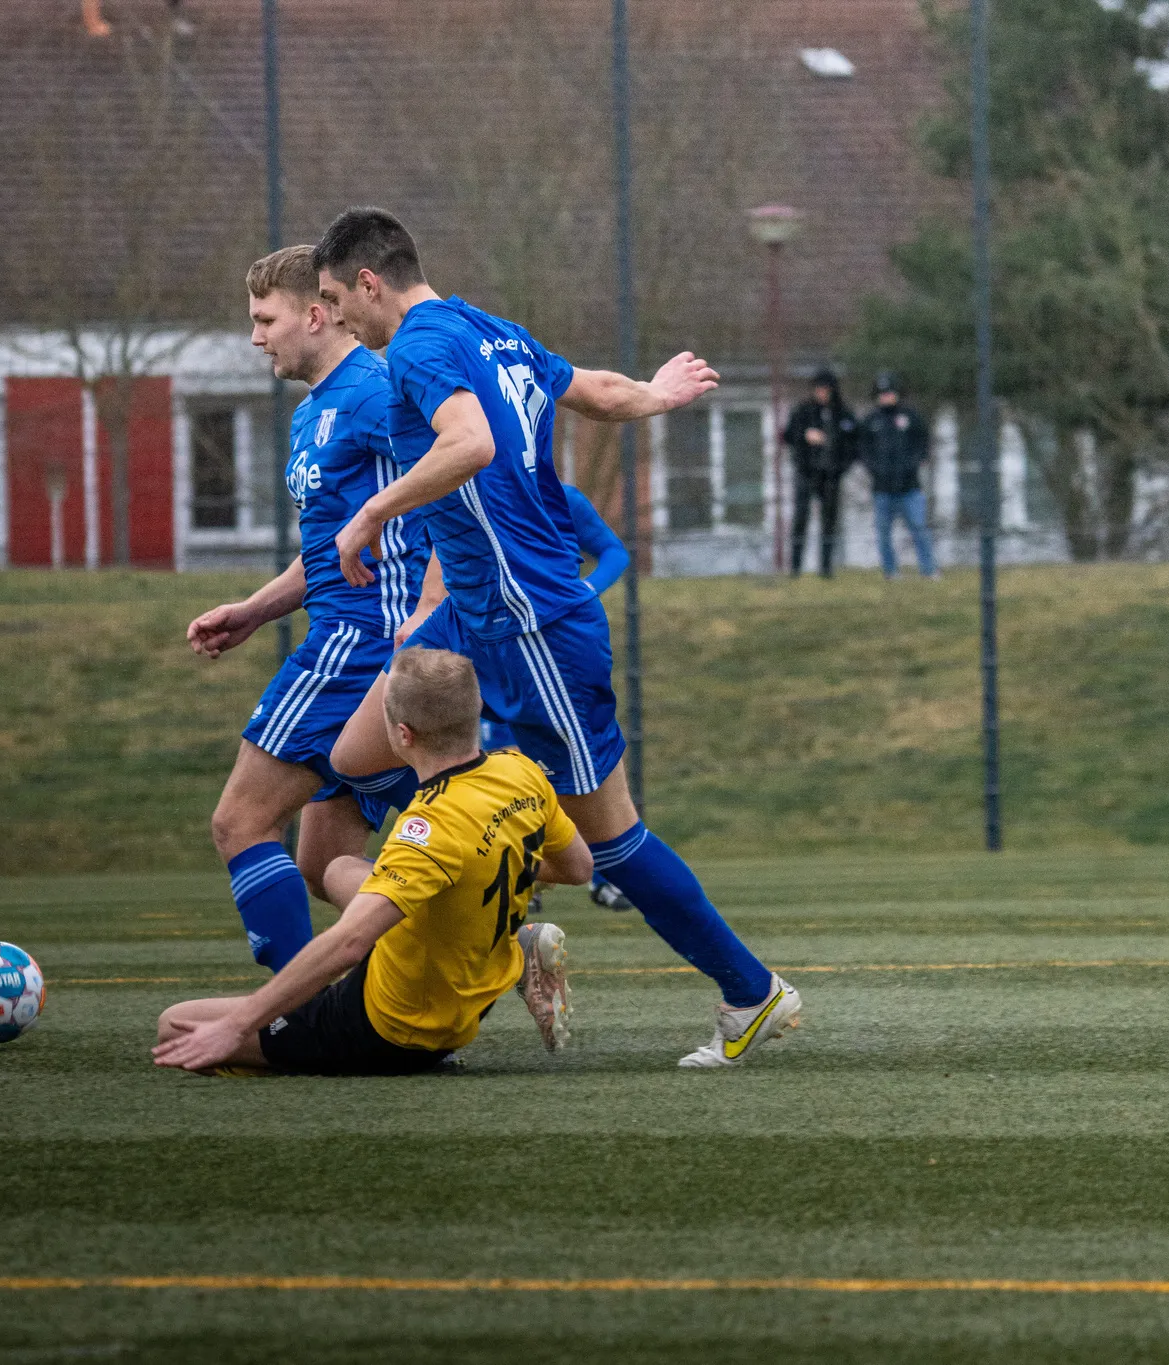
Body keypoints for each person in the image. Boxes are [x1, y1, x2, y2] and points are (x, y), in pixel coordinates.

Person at [312, 207, 801, 1068]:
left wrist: (370, 513)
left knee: (611, 839)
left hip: (532, 620)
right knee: (355, 757)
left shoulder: (421, 346)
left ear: (369, 282)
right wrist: (656, 393)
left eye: (335, 299)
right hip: (474, 613)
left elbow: (470, 442)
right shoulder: (492, 330)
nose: (338, 320)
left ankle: (752, 992)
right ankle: (480, 883)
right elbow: (597, 392)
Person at [153, 648, 587, 1074]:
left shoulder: (427, 828)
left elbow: (349, 943)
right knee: (338, 869)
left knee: (176, 1025)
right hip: (469, 993)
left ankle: (287, 1054)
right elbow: (578, 868)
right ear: (475, 712)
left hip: (393, 1032)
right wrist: (483, 862)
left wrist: (236, 1025)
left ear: (403, 734)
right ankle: (517, 948)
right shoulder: (519, 771)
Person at [186, 246, 433, 972]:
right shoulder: (310, 415)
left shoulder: (373, 393)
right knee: (324, 864)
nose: (255, 337)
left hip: (362, 642)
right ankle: (492, 941)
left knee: (239, 821)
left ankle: (293, 1013)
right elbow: (328, 549)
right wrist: (256, 610)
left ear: (318, 315)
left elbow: (460, 475)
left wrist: (429, 607)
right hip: (361, 639)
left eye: (266, 320)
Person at [475, 482, 634, 912]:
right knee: (507, 774)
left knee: (581, 774)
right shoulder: (469, 495)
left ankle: (604, 875)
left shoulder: (562, 497)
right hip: (498, 653)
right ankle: (520, 877)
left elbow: (615, 553)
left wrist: (583, 592)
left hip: (558, 655)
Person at [781, 367, 859, 577]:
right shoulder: (803, 411)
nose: (822, 393)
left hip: (831, 476)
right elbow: (787, 436)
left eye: (825, 389)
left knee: (829, 522)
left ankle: (826, 568)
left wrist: (841, 467)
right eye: (818, 389)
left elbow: (854, 443)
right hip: (806, 473)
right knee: (800, 519)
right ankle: (795, 568)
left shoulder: (843, 414)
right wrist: (805, 436)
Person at [859, 371, 937, 580]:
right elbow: (863, 449)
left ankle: (929, 570)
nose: (886, 397)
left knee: (919, 528)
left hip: (910, 487)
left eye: (890, 392)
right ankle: (891, 571)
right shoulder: (871, 421)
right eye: (882, 393)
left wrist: (914, 463)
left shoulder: (911, 417)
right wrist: (875, 469)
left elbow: (923, 443)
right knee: (883, 532)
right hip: (882, 488)